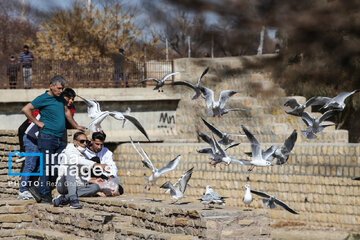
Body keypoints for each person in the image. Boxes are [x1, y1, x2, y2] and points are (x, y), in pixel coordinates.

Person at [21, 75, 86, 203]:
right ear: (51, 86)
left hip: (59, 138)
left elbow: (67, 111)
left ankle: (39, 189)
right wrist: (37, 122)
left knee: (57, 165)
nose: (61, 91)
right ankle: (44, 193)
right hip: (47, 137)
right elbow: (26, 109)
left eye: (62, 88)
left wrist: (76, 125)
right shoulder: (43, 98)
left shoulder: (61, 99)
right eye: (59, 88)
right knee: (47, 166)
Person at [53, 132, 108, 209]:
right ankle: (73, 200)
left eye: (86, 142)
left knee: (96, 187)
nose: (85, 144)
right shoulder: (68, 151)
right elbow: (78, 160)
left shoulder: (83, 154)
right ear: (75, 142)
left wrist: (92, 180)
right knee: (70, 169)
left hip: (77, 185)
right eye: (82, 141)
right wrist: (97, 165)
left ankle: (64, 198)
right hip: (63, 185)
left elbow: (81, 174)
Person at [84, 131, 124, 196]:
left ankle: (101, 192)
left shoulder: (106, 151)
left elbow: (112, 166)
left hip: (101, 178)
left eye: (101, 144)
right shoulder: (84, 151)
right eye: (97, 144)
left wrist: (111, 176)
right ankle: (98, 191)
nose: (99, 147)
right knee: (95, 160)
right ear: (92, 141)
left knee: (120, 189)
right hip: (90, 178)